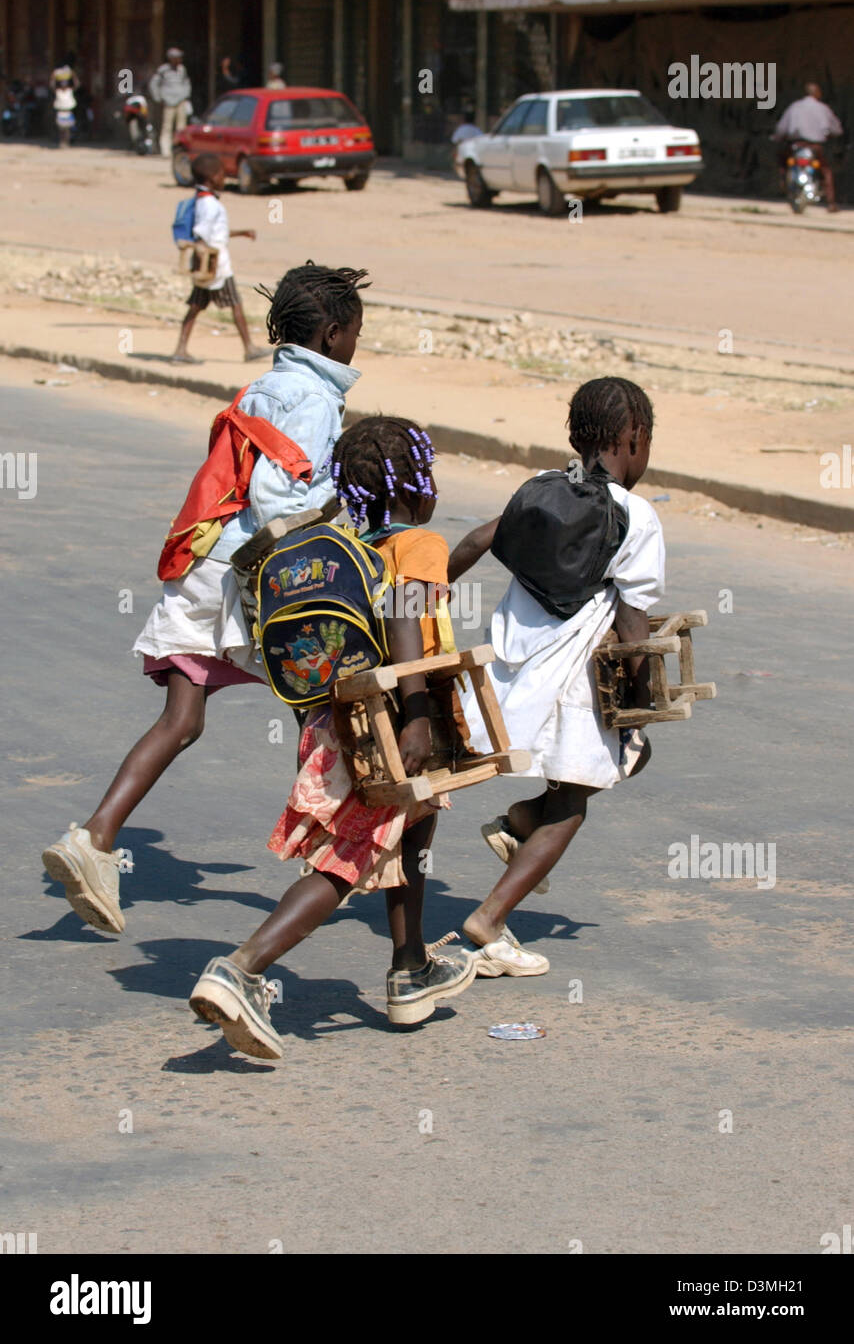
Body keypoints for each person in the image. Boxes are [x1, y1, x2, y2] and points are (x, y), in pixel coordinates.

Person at [41, 263, 371, 937]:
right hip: (250, 579)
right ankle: (329, 856)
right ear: (334, 334)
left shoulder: (264, 383)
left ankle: (95, 838)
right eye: (357, 334)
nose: (357, 347)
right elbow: (283, 499)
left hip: (203, 559)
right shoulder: (312, 397)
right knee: (321, 703)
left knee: (182, 720)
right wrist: (343, 509)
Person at [188, 417, 475, 1059]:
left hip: (332, 720)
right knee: (347, 859)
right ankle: (242, 968)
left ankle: (410, 967)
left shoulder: (343, 543)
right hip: (391, 718)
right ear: (416, 486)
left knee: (411, 829)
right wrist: (418, 714)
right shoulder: (419, 543)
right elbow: (406, 617)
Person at [447, 377, 665, 977]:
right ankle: (489, 919)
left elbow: (474, 540)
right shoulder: (635, 515)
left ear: (577, 436)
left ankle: (518, 821)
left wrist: (420, 598)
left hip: (515, 671)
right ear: (635, 438)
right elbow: (632, 619)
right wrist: (643, 702)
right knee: (573, 803)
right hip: (577, 683)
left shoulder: (540, 493)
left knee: (579, 784)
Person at [171, 153, 268, 365]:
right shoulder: (210, 205)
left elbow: (216, 232)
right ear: (213, 177)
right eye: (223, 174)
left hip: (209, 263)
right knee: (235, 303)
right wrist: (209, 262)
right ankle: (249, 348)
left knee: (196, 305)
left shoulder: (203, 200)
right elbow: (203, 234)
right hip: (216, 265)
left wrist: (241, 233)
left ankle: (180, 349)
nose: (225, 179)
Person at [774, 82, 843, 212]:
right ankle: (831, 202)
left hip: (796, 145)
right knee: (825, 171)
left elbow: (781, 129)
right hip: (815, 147)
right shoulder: (823, 109)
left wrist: (777, 137)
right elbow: (836, 129)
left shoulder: (794, 107)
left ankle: (783, 182)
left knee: (782, 161)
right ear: (817, 93)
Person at [149, 47, 192, 158]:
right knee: (167, 126)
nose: (179, 60)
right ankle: (165, 150)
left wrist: (186, 95)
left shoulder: (182, 69)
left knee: (181, 128)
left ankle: (179, 150)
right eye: (177, 58)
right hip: (168, 101)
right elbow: (154, 84)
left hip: (180, 101)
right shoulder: (163, 70)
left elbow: (186, 83)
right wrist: (158, 97)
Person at [49, 54, 79, 149]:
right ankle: (62, 142)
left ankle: (67, 142)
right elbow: (52, 85)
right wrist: (54, 76)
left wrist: (73, 74)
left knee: (68, 129)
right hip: (61, 112)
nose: (64, 86)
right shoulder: (58, 92)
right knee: (61, 129)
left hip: (68, 111)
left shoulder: (70, 91)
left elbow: (76, 84)